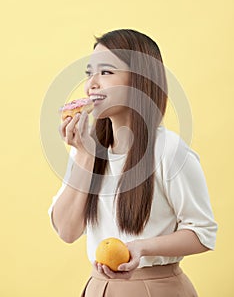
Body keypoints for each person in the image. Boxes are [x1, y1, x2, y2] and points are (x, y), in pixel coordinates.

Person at [48, 29, 218, 296]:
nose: (92, 83)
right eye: (89, 73)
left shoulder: (169, 150)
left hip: (156, 288)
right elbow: (67, 231)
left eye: (106, 72)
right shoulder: (87, 149)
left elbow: (203, 233)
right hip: (98, 288)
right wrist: (84, 155)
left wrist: (142, 247)